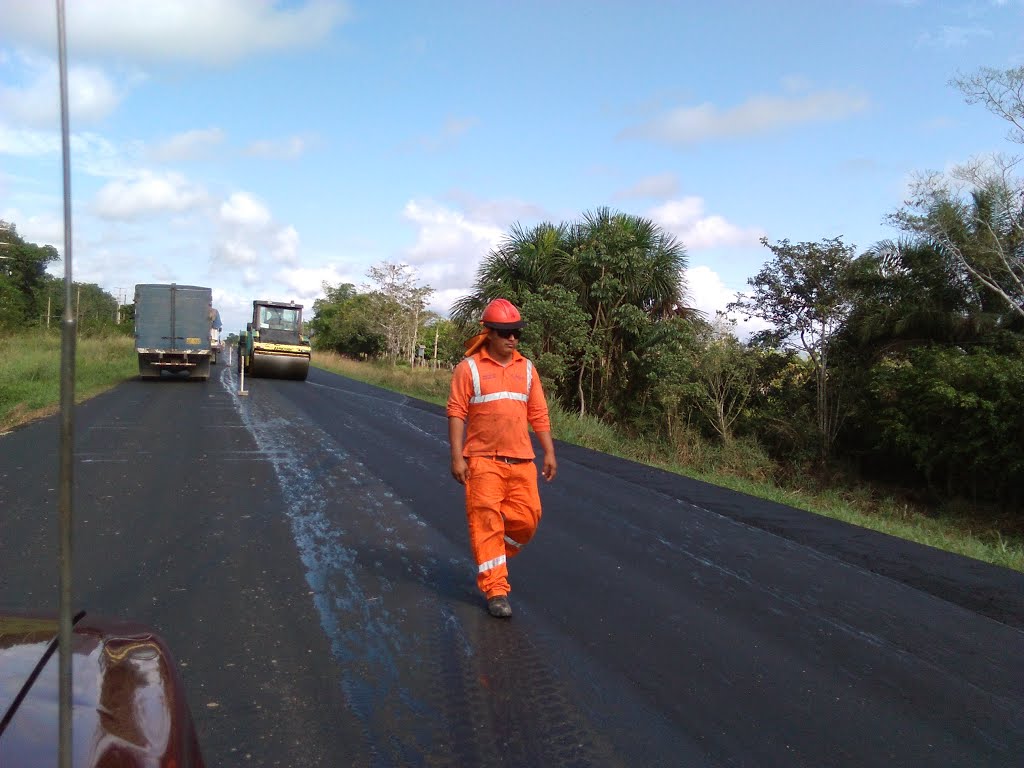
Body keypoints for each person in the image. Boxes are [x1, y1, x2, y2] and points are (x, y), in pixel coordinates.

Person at [447, 298, 557, 618]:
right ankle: (496, 589)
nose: (512, 339)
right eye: (505, 333)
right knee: (487, 522)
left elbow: (538, 413)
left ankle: (494, 554)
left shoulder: (527, 369)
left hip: (522, 460)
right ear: (489, 333)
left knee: (527, 519)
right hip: (482, 461)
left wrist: (548, 451)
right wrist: (457, 457)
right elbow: (456, 412)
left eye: (516, 334)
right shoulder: (468, 369)